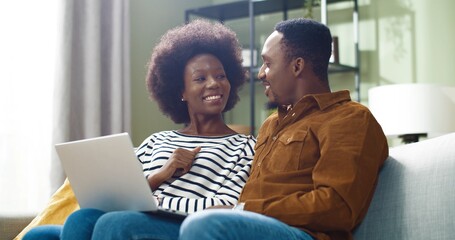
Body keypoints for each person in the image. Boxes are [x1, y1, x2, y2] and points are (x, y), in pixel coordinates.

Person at [81, 18, 388, 240]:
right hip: (247, 223)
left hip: (302, 234)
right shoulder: (271, 126)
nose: (261, 74)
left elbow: (338, 208)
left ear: (297, 66)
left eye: (268, 64)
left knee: (200, 225)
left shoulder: (350, 119)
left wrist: (242, 208)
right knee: (100, 223)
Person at [22, 19, 256, 240]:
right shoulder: (156, 141)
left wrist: (158, 203)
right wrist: (160, 175)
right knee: (54, 229)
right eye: (200, 78)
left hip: (182, 226)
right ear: (181, 91)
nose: (213, 83)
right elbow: (120, 196)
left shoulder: (246, 146)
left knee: (115, 223)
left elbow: (230, 204)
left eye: (220, 76)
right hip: (130, 216)